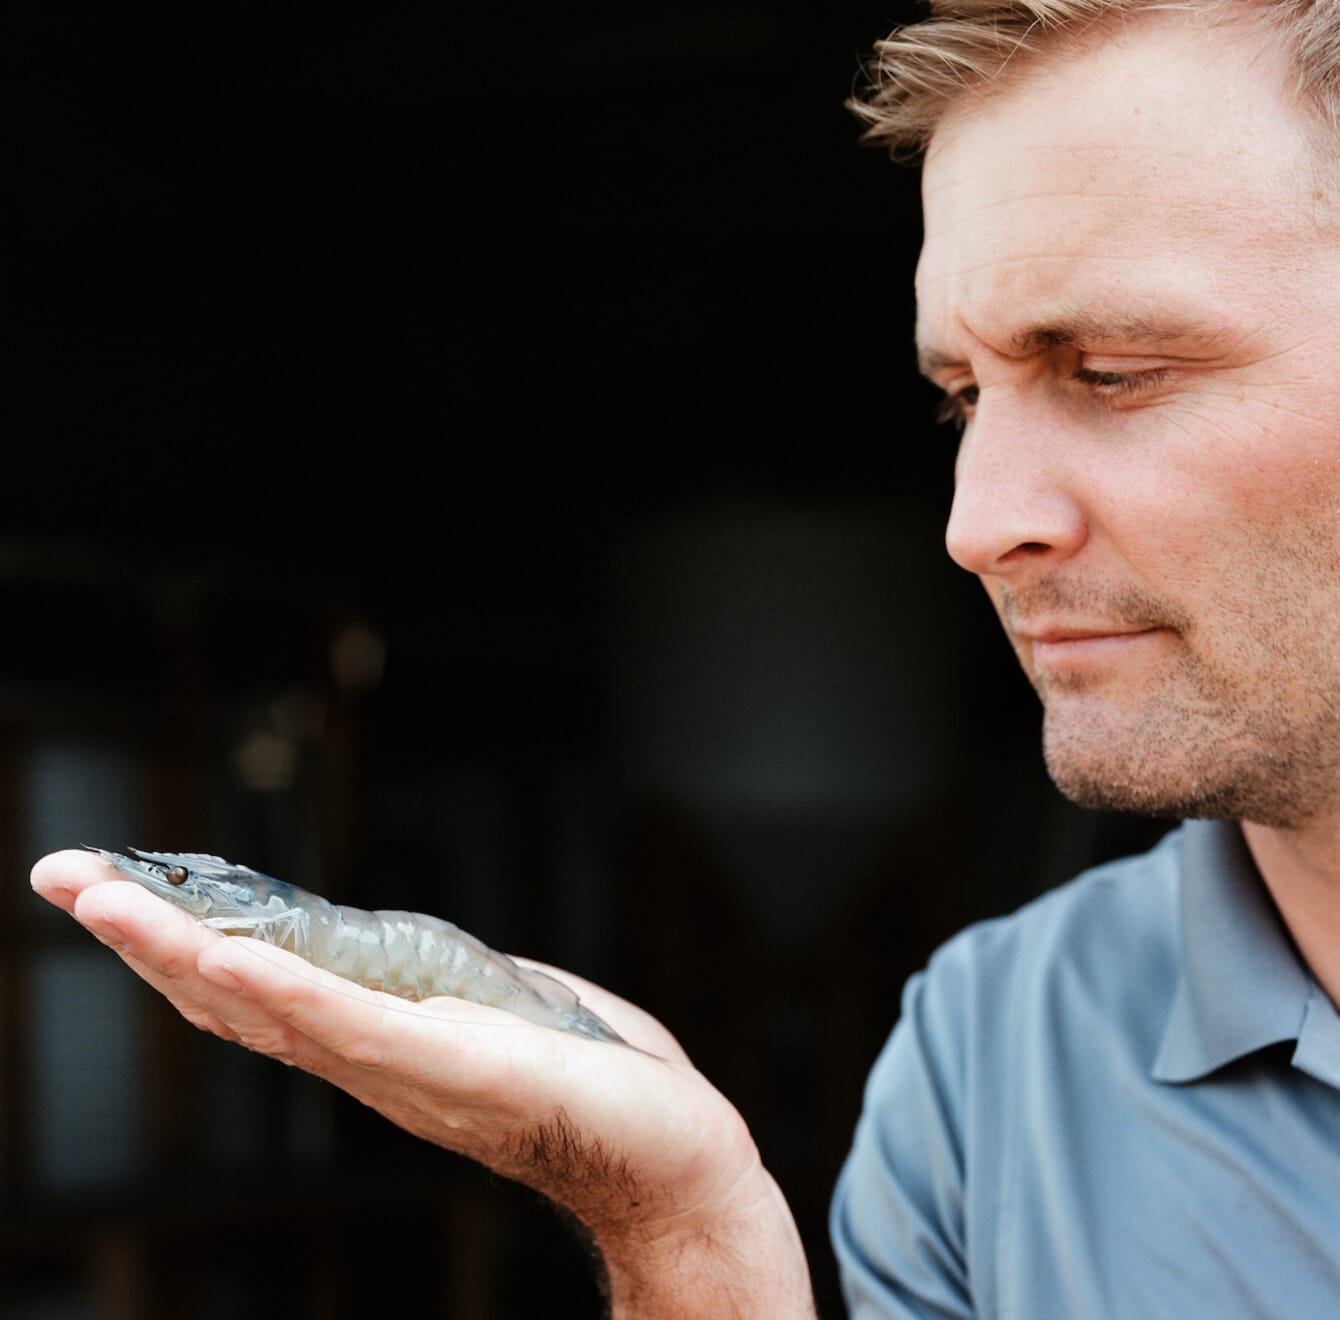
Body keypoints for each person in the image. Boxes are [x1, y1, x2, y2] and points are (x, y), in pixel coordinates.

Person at [31, 1, 1340, 1314]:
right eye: (962, 397)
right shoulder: (993, 1058)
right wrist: (684, 1234)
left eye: (1110, 370)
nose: (973, 524)